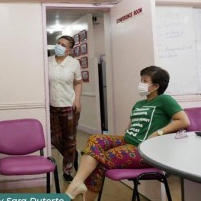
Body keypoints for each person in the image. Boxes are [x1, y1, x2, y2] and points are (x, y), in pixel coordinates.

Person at [65, 66, 190, 201]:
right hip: (129, 140)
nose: (140, 83)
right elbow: (131, 126)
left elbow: (184, 121)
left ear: (156, 86)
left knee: (100, 160)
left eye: (145, 80)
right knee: (95, 139)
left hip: (145, 150)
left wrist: (159, 132)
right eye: (141, 80)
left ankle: (81, 194)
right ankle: (76, 184)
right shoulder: (139, 104)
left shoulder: (164, 100)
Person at [48, 35, 83, 182]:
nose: (59, 46)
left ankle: (67, 170)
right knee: (54, 139)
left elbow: (78, 82)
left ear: (69, 49)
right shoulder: (47, 61)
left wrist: (77, 100)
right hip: (52, 106)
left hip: (69, 105)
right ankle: (72, 154)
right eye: (58, 43)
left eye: (63, 45)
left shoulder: (74, 63)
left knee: (69, 139)